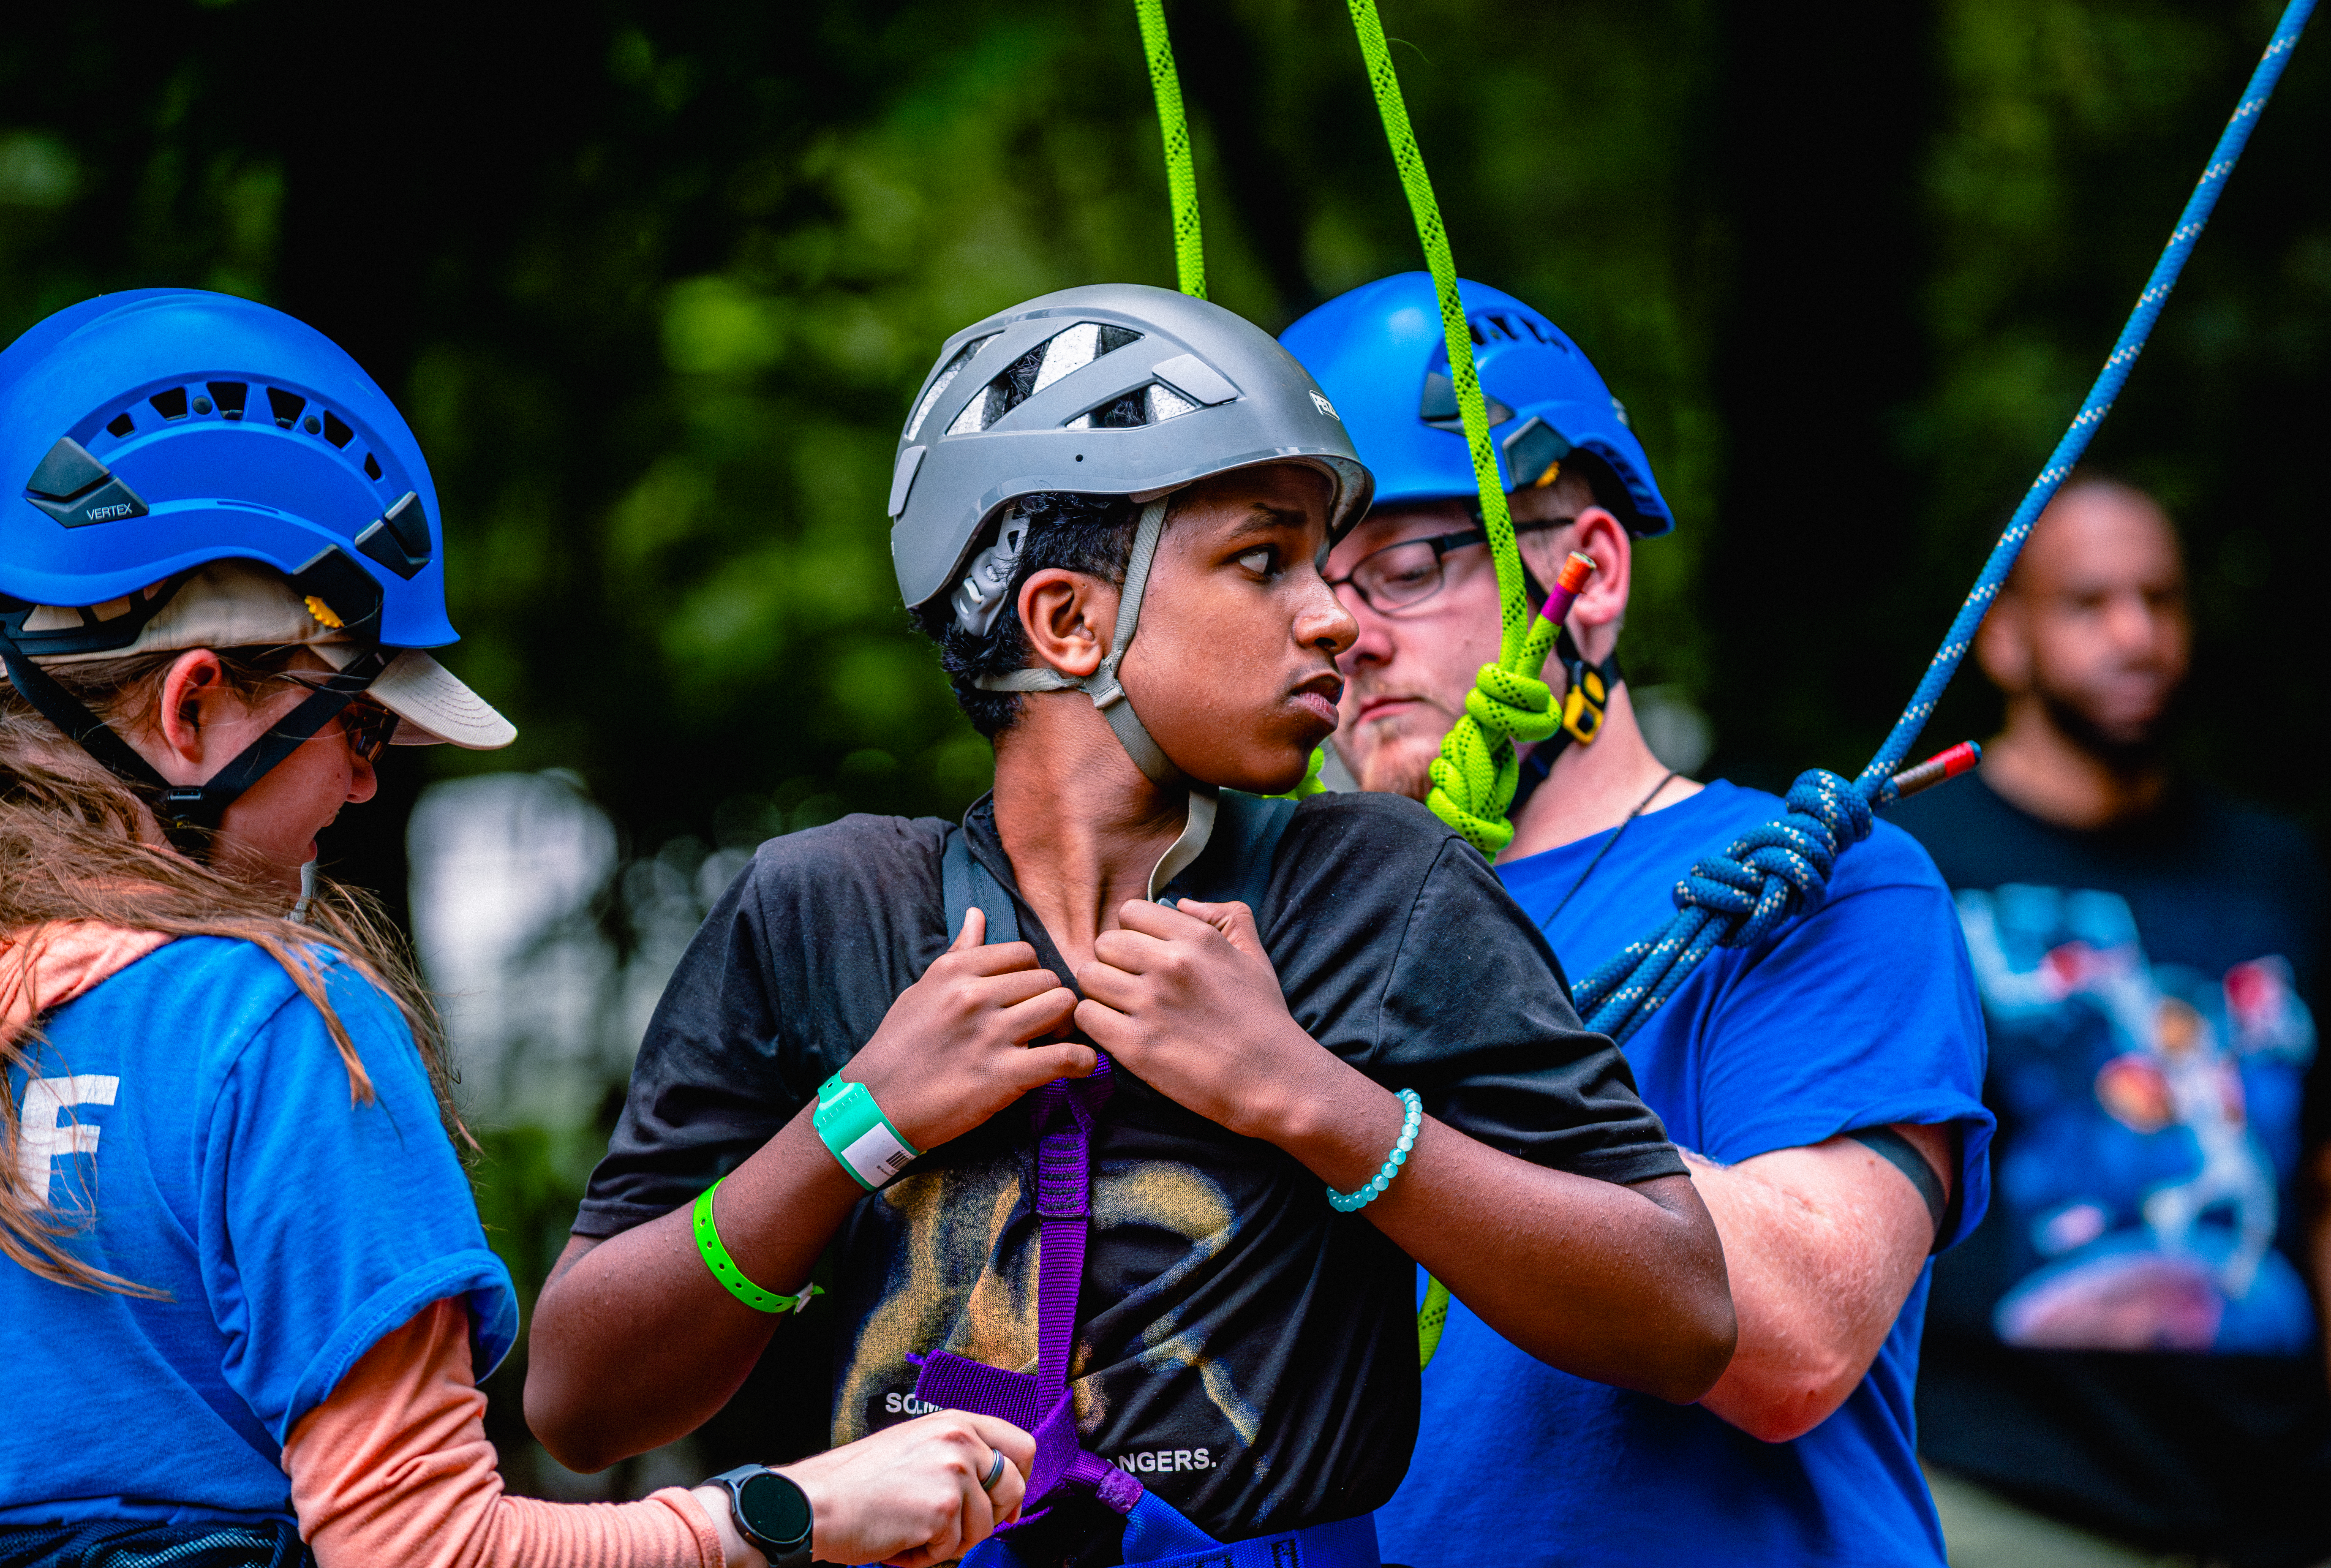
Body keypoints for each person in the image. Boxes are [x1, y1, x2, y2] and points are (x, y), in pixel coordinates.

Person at [524, 283, 1737, 1568]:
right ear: (1067, 622)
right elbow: (581, 1402)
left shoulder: (1382, 888)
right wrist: (857, 1122)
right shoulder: (828, 910)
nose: (1334, 617)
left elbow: (1681, 1313)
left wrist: (1309, 1100)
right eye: (1264, 561)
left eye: (1323, 565)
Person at [0, 289, 1035, 1568]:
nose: (370, 783)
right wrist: (792, 1512)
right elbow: (425, 1552)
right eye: (362, 725)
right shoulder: (264, 1025)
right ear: (194, 704)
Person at [1282, 272, 1995, 1566]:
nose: (1350, 641)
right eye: (1309, 592)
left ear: (1589, 574)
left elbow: (1796, 1338)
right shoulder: (1269, 953)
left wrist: (1349, 1098)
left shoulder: (1811, 882)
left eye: (1398, 567)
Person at [1887, 476, 2331, 1567]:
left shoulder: (2277, 869)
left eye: (2161, 600)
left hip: (2283, 1505)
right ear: (2005, 639)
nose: (2135, 635)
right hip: (2003, 1494)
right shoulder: (1914, 867)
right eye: (2090, 605)